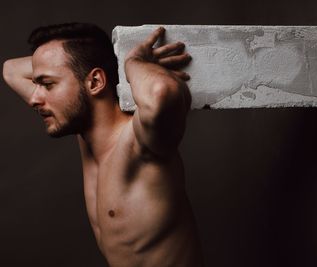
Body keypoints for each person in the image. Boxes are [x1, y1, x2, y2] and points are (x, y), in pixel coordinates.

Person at [2, 22, 203, 267]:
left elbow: (161, 91)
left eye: (48, 84)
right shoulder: (83, 128)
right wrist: (111, 61)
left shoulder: (141, 144)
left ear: (96, 82)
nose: (34, 98)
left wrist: (134, 62)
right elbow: (10, 70)